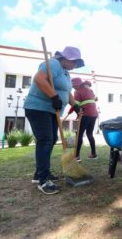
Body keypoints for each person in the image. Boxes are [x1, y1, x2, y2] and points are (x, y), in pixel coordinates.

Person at [24, 46, 83, 195]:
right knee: (45, 139)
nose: (75, 66)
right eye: (74, 62)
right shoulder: (53, 64)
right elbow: (39, 79)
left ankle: (40, 174)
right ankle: (43, 180)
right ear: (66, 58)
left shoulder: (65, 73)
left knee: (51, 138)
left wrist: (75, 106)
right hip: (38, 107)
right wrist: (54, 97)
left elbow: (67, 92)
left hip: (52, 110)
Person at [71, 77, 98, 161]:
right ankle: (93, 154)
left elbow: (76, 106)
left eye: (75, 86)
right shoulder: (89, 90)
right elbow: (96, 99)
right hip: (94, 114)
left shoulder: (77, 92)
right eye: (73, 86)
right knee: (89, 134)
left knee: (79, 135)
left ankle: (76, 156)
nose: (74, 87)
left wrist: (76, 113)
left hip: (85, 114)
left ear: (79, 85)